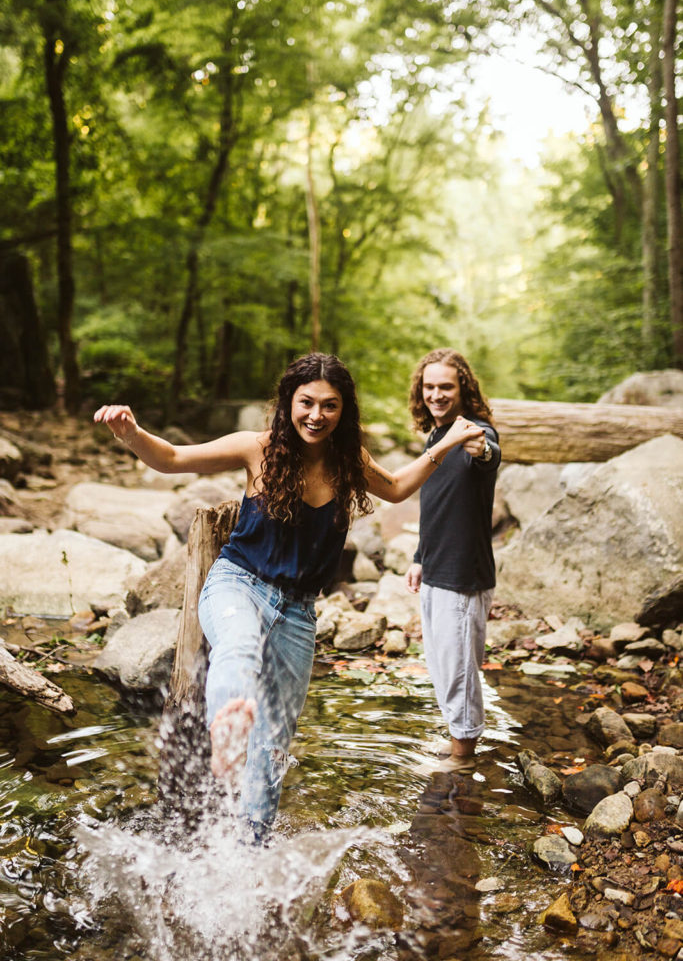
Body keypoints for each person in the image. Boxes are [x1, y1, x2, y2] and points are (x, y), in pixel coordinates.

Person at [94, 352, 482, 837]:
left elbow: (400, 488)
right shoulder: (256, 448)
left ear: (345, 411)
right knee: (237, 647)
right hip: (238, 584)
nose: (316, 415)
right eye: (306, 403)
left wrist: (446, 442)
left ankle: (252, 840)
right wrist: (131, 433)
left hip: (298, 613)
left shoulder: (349, 460)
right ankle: (228, 728)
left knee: (276, 738)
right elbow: (172, 459)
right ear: (287, 402)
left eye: (330, 405)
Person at [405, 348, 501, 762]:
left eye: (446, 386)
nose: (437, 394)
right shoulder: (435, 437)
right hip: (436, 568)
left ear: (463, 387)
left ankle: (463, 756)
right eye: (430, 387)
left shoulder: (475, 431)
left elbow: (488, 454)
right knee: (444, 662)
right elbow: (436, 504)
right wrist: (418, 555)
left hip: (464, 574)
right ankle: (460, 743)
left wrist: (478, 447)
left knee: (459, 668)